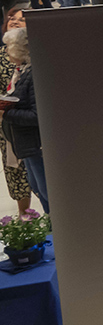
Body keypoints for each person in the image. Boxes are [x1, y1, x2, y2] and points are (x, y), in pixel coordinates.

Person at [1, 28, 47, 212]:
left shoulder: (32, 75)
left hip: (35, 145)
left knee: (44, 190)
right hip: (26, 146)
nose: (6, 52)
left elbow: (37, 116)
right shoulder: (21, 72)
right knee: (36, 187)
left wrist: (6, 114)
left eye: (8, 48)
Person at [0, 13, 31, 215]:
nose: (14, 20)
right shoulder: (0, 54)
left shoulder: (36, 52)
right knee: (15, 174)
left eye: (21, 18)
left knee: (37, 174)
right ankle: (25, 217)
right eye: (11, 17)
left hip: (32, 123)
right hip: (7, 125)